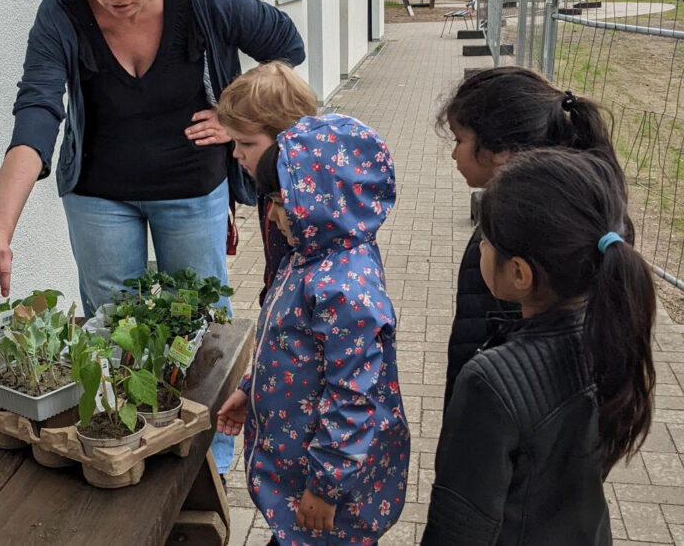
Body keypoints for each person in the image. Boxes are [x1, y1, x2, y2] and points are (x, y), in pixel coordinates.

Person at [0, 0, 304, 480]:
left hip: (192, 186)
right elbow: (38, 112)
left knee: (199, 330)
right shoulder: (62, 10)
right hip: (99, 194)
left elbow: (286, 42)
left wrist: (236, 118)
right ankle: (124, 450)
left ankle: (204, 454)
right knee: (112, 331)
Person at [421, 148, 656, 545]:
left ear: (519, 274)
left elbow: (459, 526)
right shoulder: (611, 331)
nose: (479, 248)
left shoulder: (491, 382)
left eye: (486, 240)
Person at [216, 115, 410, 546]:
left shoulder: (344, 288)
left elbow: (355, 397)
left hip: (329, 496)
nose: (272, 213)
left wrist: (325, 487)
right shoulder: (307, 257)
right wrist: (250, 388)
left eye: (281, 202)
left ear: (322, 200)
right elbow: (283, 345)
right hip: (298, 471)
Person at [437, 66, 625, 407]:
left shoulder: (519, 234)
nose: (454, 154)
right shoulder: (578, 214)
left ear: (502, 150)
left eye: (459, 139)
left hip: (497, 416)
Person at [216, 61, 319, 306]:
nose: (236, 153)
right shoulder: (272, 187)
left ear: (288, 138)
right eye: (234, 142)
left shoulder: (308, 198)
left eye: (247, 144)